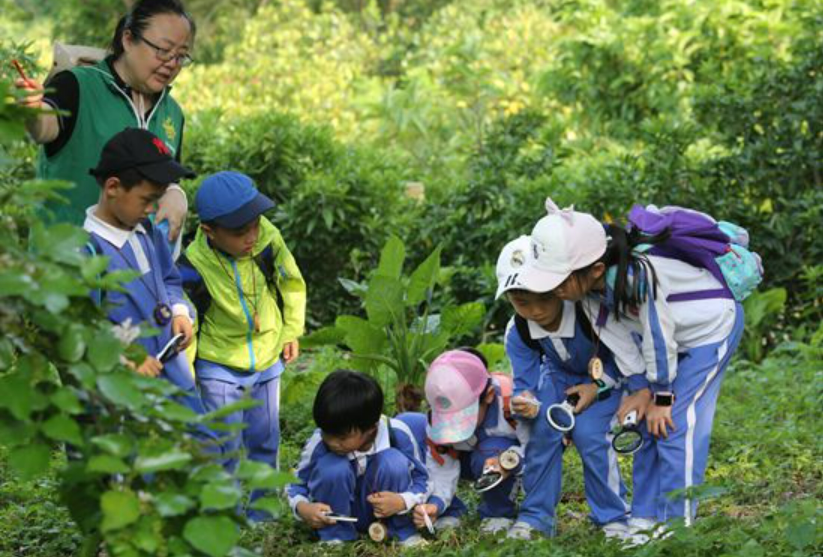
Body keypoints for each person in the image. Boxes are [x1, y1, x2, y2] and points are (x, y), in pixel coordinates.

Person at [516, 198, 746, 535]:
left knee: (675, 424)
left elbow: (657, 334)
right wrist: (640, 388)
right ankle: (644, 518)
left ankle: (676, 526)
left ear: (594, 269)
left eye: (560, 279)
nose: (554, 288)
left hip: (709, 332)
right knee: (642, 423)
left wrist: (662, 396)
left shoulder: (636, 276)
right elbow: (621, 341)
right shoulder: (587, 294)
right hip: (672, 345)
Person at [178, 171, 305, 521]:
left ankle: (264, 510)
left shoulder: (267, 237)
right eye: (239, 232)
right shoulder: (193, 265)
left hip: (266, 357)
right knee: (224, 446)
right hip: (219, 364)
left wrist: (291, 331)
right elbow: (189, 320)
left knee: (266, 439)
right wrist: (187, 376)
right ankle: (226, 515)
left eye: (254, 223)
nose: (251, 236)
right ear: (209, 231)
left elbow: (291, 281)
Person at [16, 0, 195, 245]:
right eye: (163, 51)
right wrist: (33, 111)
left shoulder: (172, 112)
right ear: (128, 39)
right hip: (68, 263)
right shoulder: (76, 85)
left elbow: (166, 178)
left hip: (132, 271)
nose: (172, 64)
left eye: (181, 56)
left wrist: (176, 192)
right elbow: (45, 128)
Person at [495, 235, 629, 540]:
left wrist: (597, 387)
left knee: (590, 435)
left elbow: (624, 358)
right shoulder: (519, 331)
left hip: (605, 381)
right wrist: (525, 401)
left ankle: (614, 516)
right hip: (558, 380)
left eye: (544, 298)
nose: (536, 311)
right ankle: (536, 516)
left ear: (559, 287)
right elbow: (525, 384)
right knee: (542, 432)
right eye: (521, 302)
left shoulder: (591, 312)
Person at [83, 127, 202, 411]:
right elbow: (82, 329)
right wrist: (124, 358)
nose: (152, 209)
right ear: (112, 187)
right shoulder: (87, 252)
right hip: (128, 392)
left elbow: (170, 278)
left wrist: (179, 312)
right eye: (147, 199)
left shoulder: (147, 230)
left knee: (201, 447)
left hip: (174, 375)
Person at [286, 370, 428, 546]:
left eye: (342, 437)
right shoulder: (319, 442)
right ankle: (335, 536)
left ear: (371, 429)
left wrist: (403, 501)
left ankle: (399, 531)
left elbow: (424, 479)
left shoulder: (397, 434)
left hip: (386, 511)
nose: (332, 442)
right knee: (332, 468)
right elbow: (294, 484)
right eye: (326, 432)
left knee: (393, 461)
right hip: (338, 514)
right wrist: (303, 508)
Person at [407, 349, 529, 536]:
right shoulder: (435, 421)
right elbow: (442, 468)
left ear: (488, 396)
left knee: (490, 451)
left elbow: (537, 448)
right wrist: (436, 504)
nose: (454, 427)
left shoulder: (513, 402)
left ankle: (498, 512)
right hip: (465, 459)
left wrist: (509, 460)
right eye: (448, 419)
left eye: (463, 417)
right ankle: (451, 510)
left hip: (498, 457)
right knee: (414, 433)